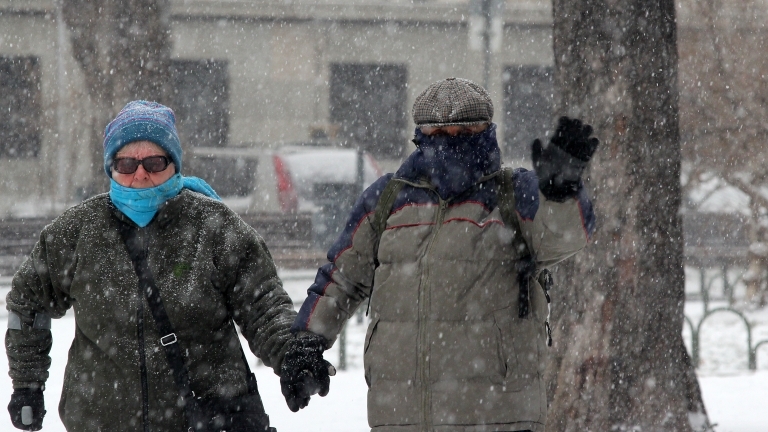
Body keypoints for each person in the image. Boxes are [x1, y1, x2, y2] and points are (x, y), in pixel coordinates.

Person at [283, 78, 598, 431]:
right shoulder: (387, 199)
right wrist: (306, 343)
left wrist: (559, 194)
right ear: (421, 132)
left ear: (485, 128)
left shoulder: (515, 193)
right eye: (437, 129)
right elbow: (341, 277)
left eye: (464, 129)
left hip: (499, 413)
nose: (450, 139)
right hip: (401, 411)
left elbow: (566, 235)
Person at [5, 100, 328, 431]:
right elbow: (28, 302)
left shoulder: (214, 227)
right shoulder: (76, 232)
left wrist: (291, 355)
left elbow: (264, 305)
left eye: (154, 161)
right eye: (127, 163)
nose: (141, 173)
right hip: (103, 421)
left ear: (173, 163)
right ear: (110, 168)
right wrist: (28, 384)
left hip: (208, 419)